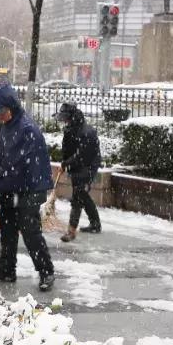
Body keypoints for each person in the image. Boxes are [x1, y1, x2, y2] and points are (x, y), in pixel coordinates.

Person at [0, 82, 55, 292]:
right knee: (7, 228)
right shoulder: (5, 126)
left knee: (30, 231)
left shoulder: (26, 130)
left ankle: (46, 271)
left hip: (30, 188)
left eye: (0, 112)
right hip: (10, 188)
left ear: (10, 108)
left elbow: (16, 166)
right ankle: (6, 269)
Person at [54, 101, 102, 242]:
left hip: (88, 166)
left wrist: (67, 163)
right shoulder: (71, 129)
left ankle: (71, 230)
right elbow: (67, 149)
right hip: (76, 166)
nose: (64, 122)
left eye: (66, 119)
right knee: (83, 195)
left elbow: (82, 155)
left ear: (72, 117)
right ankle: (95, 223)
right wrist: (64, 163)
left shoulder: (87, 132)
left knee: (78, 197)